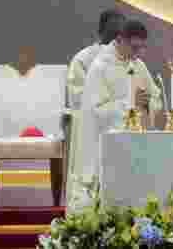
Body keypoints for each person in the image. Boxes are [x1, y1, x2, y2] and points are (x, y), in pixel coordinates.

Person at [71, 18, 162, 208]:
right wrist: (130, 104)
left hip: (137, 144)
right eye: (135, 47)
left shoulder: (138, 65)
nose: (139, 53)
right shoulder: (100, 67)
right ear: (120, 40)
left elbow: (156, 99)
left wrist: (147, 105)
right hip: (107, 148)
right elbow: (96, 112)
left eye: (143, 48)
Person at [65, 10, 124, 202]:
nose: (116, 36)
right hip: (90, 130)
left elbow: (147, 96)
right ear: (100, 31)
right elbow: (79, 99)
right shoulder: (83, 60)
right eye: (112, 31)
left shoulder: (130, 61)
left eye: (119, 32)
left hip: (121, 128)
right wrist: (114, 105)